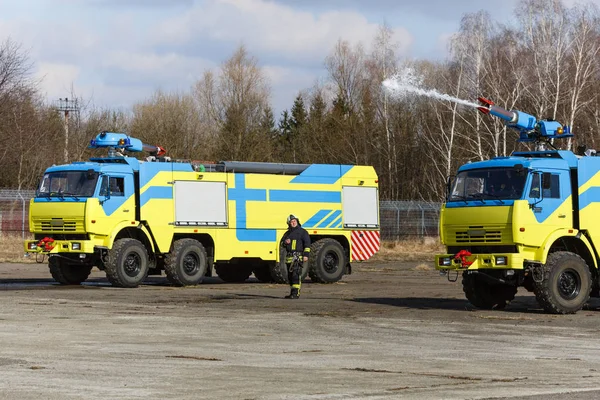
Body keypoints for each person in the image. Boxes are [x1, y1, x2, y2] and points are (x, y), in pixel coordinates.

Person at [281, 214, 311, 299]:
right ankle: (292, 293)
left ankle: (296, 293)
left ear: (297, 221)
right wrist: (285, 242)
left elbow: (307, 244)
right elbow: (282, 243)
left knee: (296, 275)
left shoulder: (303, 232)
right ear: (289, 223)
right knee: (290, 276)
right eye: (291, 222)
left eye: (295, 221)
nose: (293, 223)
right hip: (289, 258)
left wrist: (306, 255)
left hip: (297, 257)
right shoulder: (287, 233)